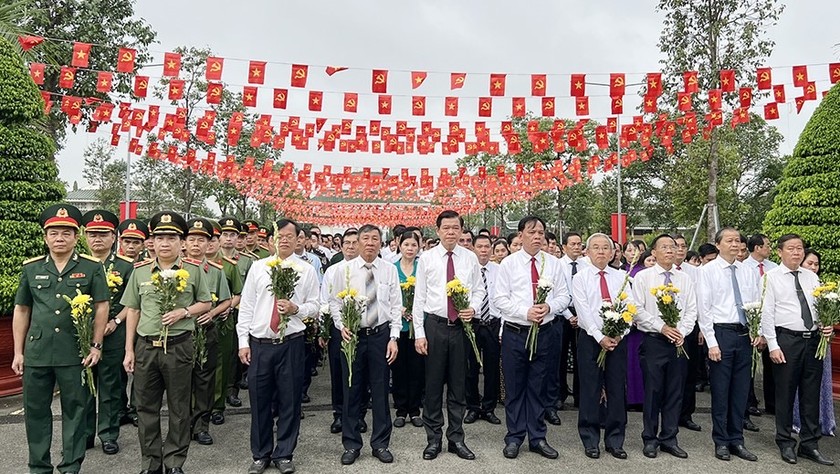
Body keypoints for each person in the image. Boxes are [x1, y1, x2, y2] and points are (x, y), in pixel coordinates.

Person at [13, 204, 109, 474]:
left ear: (76, 237)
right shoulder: (31, 269)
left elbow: (102, 306)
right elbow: (22, 309)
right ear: (45, 237)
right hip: (38, 352)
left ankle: (70, 466)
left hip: (74, 352)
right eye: (54, 233)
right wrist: (18, 352)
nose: (60, 238)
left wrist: (96, 344)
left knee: (75, 411)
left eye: (66, 233)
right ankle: (39, 466)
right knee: (36, 412)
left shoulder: (91, 268)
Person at [121, 211, 212, 474]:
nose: (164, 243)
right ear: (152, 242)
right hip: (146, 346)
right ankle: (151, 463)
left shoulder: (193, 270)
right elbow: (133, 311)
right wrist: (129, 349)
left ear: (181, 242)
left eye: (171, 237)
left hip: (179, 346)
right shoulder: (139, 272)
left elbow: (206, 303)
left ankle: (174, 462)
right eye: (159, 237)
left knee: (179, 407)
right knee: (145, 407)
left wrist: (185, 312)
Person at [237, 219, 320, 474]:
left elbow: (316, 306)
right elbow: (247, 306)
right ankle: (260, 454)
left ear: (298, 240)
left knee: (290, 400)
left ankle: (284, 452)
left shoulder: (305, 270)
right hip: (260, 344)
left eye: (289, 236)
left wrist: (297, 309)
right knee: (260, 400)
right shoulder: (258, 268)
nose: (284, 240)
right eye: (279, 236)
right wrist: (243, 342)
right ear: (271, 240)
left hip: (291, 344)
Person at [494, 216, 570, 460]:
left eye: (541, 232)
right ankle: (514, 437)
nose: (537, 236)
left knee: (538, 387)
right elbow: (499, 299)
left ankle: (537, 437)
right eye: (532, 232)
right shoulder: (509, 263)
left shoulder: (554, 264)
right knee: (515, 388)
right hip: (516, 333)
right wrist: (525, 312)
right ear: (520, 235)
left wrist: (548, 307)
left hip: (545, 333)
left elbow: (564, 297)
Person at [413, 210, 484, 461]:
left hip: (461, 328)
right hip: (435, 326)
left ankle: (456, 438)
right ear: (438, 230)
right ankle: (433, 439)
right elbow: (419, 298)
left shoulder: (470, 258)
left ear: (461, 230)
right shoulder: (427, 259)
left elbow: (479, 290)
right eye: (447, 228)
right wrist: (419, 334)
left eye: (456, 228)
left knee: (458, 385)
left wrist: (473, 308)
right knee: (432, 386)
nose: (451, 232)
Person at [329, 224, 401, 465]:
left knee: (380, 390)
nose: (370, 243)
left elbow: (394, 305)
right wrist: (341, 326)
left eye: (375, 239)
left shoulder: (389, 270)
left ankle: (381, 443)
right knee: (352, 389)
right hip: (353, 336)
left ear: (381, 243)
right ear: (357, 243)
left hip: (380, 335)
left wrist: (393, 338)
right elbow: (334, 303)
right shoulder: (344, 270)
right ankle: (351, 444)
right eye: (366, 239)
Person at [762, 235, 834, 466]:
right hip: (787, 340)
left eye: (800, 249)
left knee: (811, 393)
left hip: (812, 341)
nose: (796, 252)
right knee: (785, 393)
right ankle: (785, 442)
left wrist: (827, 324)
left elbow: (820, 307)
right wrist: (773, 345)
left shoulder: (812, 277)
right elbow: (767, 313)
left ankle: (809, 443)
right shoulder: (771, 278)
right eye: (791, 249)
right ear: (780, 252)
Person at [697, 227, 761, 462]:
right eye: (730, 240)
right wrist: (711, 342)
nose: (735, 244)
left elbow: (755, 303)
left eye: (738, 240)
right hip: (721, 333)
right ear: (718, 244)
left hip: (744, 335)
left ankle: (737, 440)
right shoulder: (708, 271)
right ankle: (721, 441)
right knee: (721, 391)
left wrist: (757, 331)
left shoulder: (748, 271)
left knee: (740, 391)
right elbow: (704, 309)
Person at [632, 234, 697, 459]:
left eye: (674, 247)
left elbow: (691, 310)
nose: (670, 250)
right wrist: (662, 327)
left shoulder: (684, 279)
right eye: (665, 247)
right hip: (654, 341)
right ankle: (650, 438)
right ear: (654, 253)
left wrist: (682, 332)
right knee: (653, 391)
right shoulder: (643, 277)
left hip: (678, 341)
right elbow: (637, 310)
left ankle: (670, 437)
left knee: (675, 392)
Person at [574, 233, 633, 460]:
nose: (600, 252)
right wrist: (600, 337)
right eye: (595, 248)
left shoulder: (623, 277)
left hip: (618, 341)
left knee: (617, 389)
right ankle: (590, 440)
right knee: (590, 390)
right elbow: (584, 311)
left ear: (612, 253)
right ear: (587, 253)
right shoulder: (580, 278)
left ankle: (615, 440)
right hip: (591, 339)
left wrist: (619, 334)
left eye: (605, 248)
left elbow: (630, 308)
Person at [81, 210, 135, 456]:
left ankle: (109, 434)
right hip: (82, 335)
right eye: (92, 234)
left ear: (114, 237)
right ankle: (84, 434)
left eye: (103, 234)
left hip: (113, 333)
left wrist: (115, 320)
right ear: (84, 236)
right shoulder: (77, 265)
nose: (97, 239)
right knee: (82, 387)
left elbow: (133, 301)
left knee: (110, 387)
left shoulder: (125, 267)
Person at [184, 218, 232, 447]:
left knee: (205, 381)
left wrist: (212, 314)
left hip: (206, 331)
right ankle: (183, 427)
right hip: (180, 335)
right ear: (184, 243)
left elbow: (226, 300)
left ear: (209, 244)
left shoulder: (215, 271)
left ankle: (201, 426)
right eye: (191, 239)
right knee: (181, 384)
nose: (196, 244)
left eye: (201, 240)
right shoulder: (175, 270)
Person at [319, 230, 363, 434]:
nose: (351, 246)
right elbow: (325, 300)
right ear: (341, 245)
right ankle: (339, 414)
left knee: (360, 373)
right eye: (347, 243)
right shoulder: (333, 270)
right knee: (338, 372)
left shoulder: (366, 269)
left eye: (355, 242)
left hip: (361, 327)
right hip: (338, 327)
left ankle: (359, 414)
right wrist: (324, 330)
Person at [793, 249, 836, 437]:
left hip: (819, 341)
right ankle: (797, 421)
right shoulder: (791, 282)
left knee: (820, 384)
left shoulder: (820, 286)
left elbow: (824, 314)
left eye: (816, 264)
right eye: (809, 263)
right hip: (796, 341)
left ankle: (823, 421)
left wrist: (828, 326)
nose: (813, 267)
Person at [214, 217, 253, 419]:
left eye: (233, 235)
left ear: (239, 238)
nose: (228, 239)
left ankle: (232, 390)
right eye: (225, 234)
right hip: (218, 312)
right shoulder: (212, 257)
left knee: (234, 357)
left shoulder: (247, 260)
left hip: (240, 311)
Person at [464, 234, 502, 426]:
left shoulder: (499, 270)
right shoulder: (468, 271)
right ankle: (472, 407)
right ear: (474, 248)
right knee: (471, 368)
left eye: (488, 247)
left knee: (492, 368)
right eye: (480, 247)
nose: (484, 250)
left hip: (493, 324)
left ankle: (489, 408)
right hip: (474, 323)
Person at [117, 218, 150, 428]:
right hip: (117, 327)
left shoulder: (146, 266)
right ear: (120, 242)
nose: (131, 246)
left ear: (143, 244)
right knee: (117, 372)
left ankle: (137, 408)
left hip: (140, 324)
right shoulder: (113, 265)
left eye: (136, 242)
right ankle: (120, 408)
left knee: (140, 370)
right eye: (127, 241)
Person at [550, 231, 587, 418]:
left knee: (582, 355)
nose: (576, 247)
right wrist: (567, 315)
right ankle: (559, 395)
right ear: (564, 247)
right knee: (560, 357)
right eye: (572, 244)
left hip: (583, 314)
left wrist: (581, 315)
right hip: (561, 314)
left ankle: (581, 396)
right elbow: (556, 292)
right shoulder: (557, 265)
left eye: (579, 244)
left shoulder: (587, 265)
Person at [391, 232, 424, 428]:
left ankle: (415, 410)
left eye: (414, 244)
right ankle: (401, 410)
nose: (410, 248)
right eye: (406, 244)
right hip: (399, 326)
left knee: (417, 369)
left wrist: (415, 310)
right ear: (399, 245)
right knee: (399, 369)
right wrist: (402, 310)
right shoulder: (392, 269)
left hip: (418, 326)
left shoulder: (422, 268)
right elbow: (385, 296)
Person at [743, 233, 778, 418]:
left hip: (771, 321)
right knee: (749, 366)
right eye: (767, 245)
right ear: (757, 248)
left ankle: (772, 403)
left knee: (771, 365)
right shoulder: (744, 268)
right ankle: (750, 402)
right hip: (750, 322)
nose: (769, 248)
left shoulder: (774, 268)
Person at [672, 235, 702, 433]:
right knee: (672, 376)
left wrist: (698, 329)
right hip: (666, 330)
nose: (680, 250)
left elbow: (699, 301)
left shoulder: (695, 272)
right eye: (676, 246)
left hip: (689, 329)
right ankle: (670, 414)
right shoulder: (656, 272)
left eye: (684, 246)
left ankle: (686, 414)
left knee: (689, 374)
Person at [626, 250, 655, 410]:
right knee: (633, 363)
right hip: (635, 328)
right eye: (649, 260)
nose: (651, 262)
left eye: (653, 260)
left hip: (653, 329)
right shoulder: (636, 275)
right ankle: (632, 398)